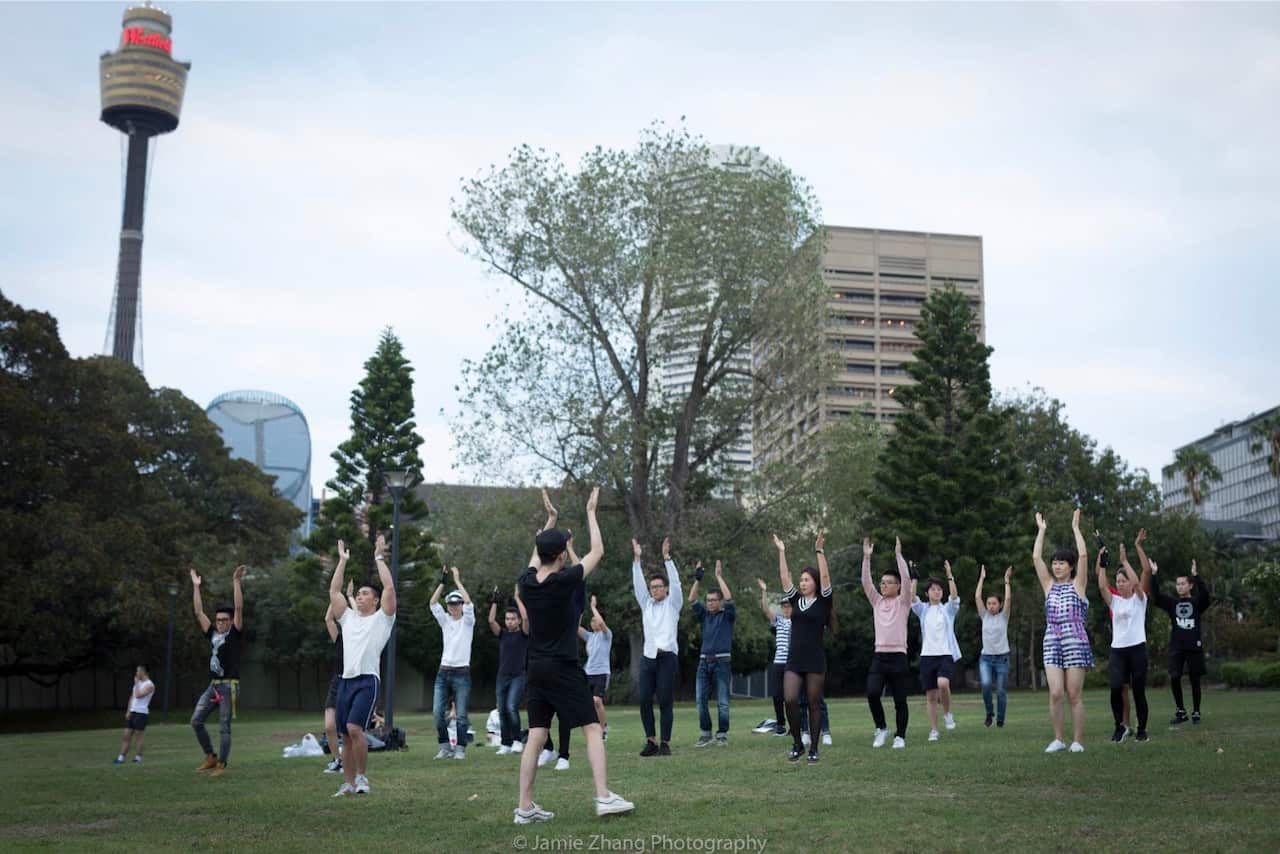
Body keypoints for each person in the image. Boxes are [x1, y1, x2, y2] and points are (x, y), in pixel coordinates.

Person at [514, 487, 632, 824]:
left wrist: (550, 521)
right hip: (562, 667)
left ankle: (524, 807)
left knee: (537, 733)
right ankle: (604, 797)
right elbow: (598, 550)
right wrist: (591, 511)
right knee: (592, 728)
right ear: (562, 556)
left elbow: (536, 556)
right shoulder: (564, 582)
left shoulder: (527, 583)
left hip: (535, 668)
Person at [328, 535, 397, 796]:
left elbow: (389, 588)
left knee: (355, 728)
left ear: (376, 601)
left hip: (368, 680)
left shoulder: (382, 620)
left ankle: (362, 778)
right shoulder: (348, 619)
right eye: (358, 593)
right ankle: (347, 783)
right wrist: (342, 561)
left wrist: (379, 557)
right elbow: (334, 592)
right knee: (344, 733)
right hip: (346, 680)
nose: (359, 596)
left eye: (365, 593)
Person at [1033, 509, 1092, 754]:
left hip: (1075, 639)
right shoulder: (1048, 585)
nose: (1056, 567)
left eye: (1061, 563)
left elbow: (1084, 554)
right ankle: (1058, 739)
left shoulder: (1078, 584)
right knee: (1056, 692)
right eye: (1055, 563)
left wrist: (1076, 529)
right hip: (1052, 639)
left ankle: (1077, 741)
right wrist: (1042, 531)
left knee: (1073, 693)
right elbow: (1037, 559)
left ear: (1070, 567)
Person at [774, 531, 834, 765]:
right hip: (795, 660)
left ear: (816, 583)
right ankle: (798, 743)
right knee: (789, 699)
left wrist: (819, 551)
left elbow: (827, 575)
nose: (802, 583)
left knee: (813, 703)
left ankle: (814, 749)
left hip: (815, 660)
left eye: (807, 579)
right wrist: (781, 551)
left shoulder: (824, 601)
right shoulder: (796, 600)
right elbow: (783, 577)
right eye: (801, 580)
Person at [189, 564, 245, 777]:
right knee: (196, 721)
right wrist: (196, 586)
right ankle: (210, 756)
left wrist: (236, 582)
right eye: (218, 620)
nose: (220, 623)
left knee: (224, 726)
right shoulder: (212, 633)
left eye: (224, 620)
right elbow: (198, 612)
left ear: (230, 622)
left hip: (228, 687)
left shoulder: (234, 634)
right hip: (213, 687)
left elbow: (239, 609)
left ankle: (221, 764)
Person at [1147, 546, 1212, 725]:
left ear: (1190, 586)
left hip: (1194, 646)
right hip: (1177, 646)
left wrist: (1197, 576)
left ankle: (1196, 712)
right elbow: (1156, 595)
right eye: (1178, 584)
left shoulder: (1197, 602)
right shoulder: (1172, 603)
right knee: (1174, 676)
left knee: (1194, 679)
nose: (1180, 586)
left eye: (1183, 583)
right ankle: (1181, 711)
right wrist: (1154, 574)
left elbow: (1207, 596)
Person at [632, 535, 683, 756]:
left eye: (658, 586)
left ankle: (665, 743)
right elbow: (637, 585)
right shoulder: (647, 604)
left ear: (665, 589)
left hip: (667, 657)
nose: (654, 590)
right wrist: (637, 560)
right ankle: (650, 741)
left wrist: (666, 558)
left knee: (664, 700)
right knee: (644, 699)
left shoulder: (673, 604)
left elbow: (677, 583)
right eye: (652, 587)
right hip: (648, 657)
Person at [1098, 539, 1152, 743]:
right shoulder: (1115, 601)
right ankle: (1119, 726)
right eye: (1118, 581)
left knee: (1138, 691)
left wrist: (1124, 561)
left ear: (1130, 582)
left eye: (1123, 581)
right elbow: (1102, 586)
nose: (1120, 584)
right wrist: (1103, 565)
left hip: (1137, 650)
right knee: (1115, 687)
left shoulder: (1140, 600)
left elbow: (1139, 582)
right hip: (1118, 651)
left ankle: (1142, 729)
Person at [862, 537, 914, 749]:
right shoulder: (877, 601)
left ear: (898, 585)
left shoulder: (904, 602)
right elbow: (866, 582)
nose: (884, 586)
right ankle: (881, 728)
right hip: (880, 657)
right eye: (882, 582)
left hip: (898, 657)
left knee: (900, 700)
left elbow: (908, 580)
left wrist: (898, 556)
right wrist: (866, 557)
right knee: (872, 693)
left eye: (889, 582)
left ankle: (900, 736)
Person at [911, 562, 962, 742]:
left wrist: (949, 575)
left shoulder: (947, 609)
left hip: (945, 654)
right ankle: (934, 730)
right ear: (927, 593)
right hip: (927, 656)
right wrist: (914, 579)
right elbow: (911, 598)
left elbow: (954, 597)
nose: (937, 592)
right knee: (931, 696)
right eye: (933, 589)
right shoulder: (923, 609)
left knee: (942, 684)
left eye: (939, 589)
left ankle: (948, 714)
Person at [689, 559, 736, 747]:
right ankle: (706, 734)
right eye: (708, 600)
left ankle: (722, 734)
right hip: (703, 662)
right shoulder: (705, 615)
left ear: (720, 601)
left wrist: (718, 576)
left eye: (713, 600)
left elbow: (730, 598)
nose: (709, 603)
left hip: (722, 662)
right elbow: (692, 600)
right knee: (700, 700)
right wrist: (697, 580)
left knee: (722, 702)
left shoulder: (728, 615)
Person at [431, 565, 476, 760]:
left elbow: (469, 602)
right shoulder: (445, 621)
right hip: (444, 672)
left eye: (457, 604)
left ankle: (460, 749)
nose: (454, 606)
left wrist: (457, 580)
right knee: (437, 713)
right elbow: (433, 603)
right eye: (451, 604)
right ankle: (444, 747)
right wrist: (443, 582)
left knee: (462, 715)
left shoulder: (467, 622)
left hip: (462, 673)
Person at [489, 584, 530, 756]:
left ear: (518, 620)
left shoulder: (524, 634)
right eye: (507, 619)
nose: (509, 621)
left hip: (518, 676)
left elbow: (527, 619)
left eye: (513, 619)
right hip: (502, 676)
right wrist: (495, 601)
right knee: (503, 710)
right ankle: (505, 743)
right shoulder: (503, 634)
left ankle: (517, 740)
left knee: (512, 707)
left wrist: (518, 598)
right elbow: (491, 621)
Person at [322, 580, 355, 774]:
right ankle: (337, 760)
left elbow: (358, 617)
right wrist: (335, 596)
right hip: (337, 681)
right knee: (329, 726)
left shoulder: (361, 638)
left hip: (353, 682)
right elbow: (328, 619)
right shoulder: (339, 639)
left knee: (350, 728)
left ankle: (350, 761)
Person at [975, 565, 1013, 728]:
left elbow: (1009, 599)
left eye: (994, 603)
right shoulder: (984, 616)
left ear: (999, 605)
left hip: (1002, 659)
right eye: (988, 603)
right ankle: (989, 714)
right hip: (986, 658)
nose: (990, 606)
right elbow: (977, 597)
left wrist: (1006, 581)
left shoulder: (1004, 617)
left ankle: (1000, 719)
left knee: (1001, 691)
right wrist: (981, 578)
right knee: (985, 685)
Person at [756, 579, 792, 737]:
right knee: (777, 695)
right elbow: (765, 610)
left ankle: (796, 725)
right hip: (778, 663)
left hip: (792, 663)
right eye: (783, 606)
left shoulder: (798, 621)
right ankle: (780, 724)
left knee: (791, 697)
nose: (785, 609)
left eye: (788, 606)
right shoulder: (778, 621)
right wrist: (764, 591)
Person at [579, 594, 613, 743]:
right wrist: (578, 609)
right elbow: (574, 626)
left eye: (595, 620)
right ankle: (593, 730)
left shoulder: (607, 635)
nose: (593, 622)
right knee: (587, 703)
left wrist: (593, 607)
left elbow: (600, 621)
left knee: (597, 701)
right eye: (591, 621)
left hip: (602, 673)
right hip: (588, 673)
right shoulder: (589, 636)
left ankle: (604, 728)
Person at [114, 665, 155, 764]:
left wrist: (136, 684)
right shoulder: (137, 683)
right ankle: (121, 758)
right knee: (126, 736)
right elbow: (132, 697)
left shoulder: (150, 685)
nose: (136, 674)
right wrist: (128, 711)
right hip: (132, 712)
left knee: (138, 737)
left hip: (141, 713)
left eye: (137, 671)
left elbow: (138, 695)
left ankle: (138, 758)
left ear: (143, 672)